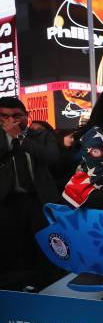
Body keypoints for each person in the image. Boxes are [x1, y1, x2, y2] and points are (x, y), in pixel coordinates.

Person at [0, 97, 60, 288]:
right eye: (4, 116)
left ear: (27, 116)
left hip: (38, 199)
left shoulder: (41, 136)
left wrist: (21, 138)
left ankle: (44, 285)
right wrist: (9, 138)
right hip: (6, 200)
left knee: (43, 247)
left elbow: (52, 158)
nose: (11, 121)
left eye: (16, 116)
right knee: (10, 247)